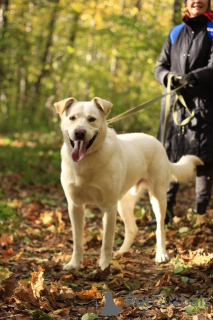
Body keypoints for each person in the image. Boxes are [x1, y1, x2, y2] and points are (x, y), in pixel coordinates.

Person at [154, 0, 213, 224]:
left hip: (205, 105)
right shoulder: (175, 32)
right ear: (187, 3)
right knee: (170, 154)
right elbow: (160, 65)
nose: (197, 0)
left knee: (204, 158)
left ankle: (200, 216)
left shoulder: (212, 29)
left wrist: (194, 76)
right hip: (174, 106)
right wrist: (168, 77)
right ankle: (165, 213)